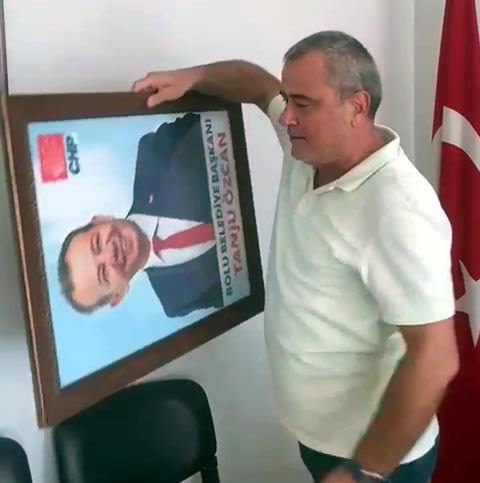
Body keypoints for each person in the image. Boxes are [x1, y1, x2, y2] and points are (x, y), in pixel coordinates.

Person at [132, 31, 459, 483]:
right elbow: (255, 83)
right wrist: (194, 77)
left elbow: (436, 359)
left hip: (379, 460)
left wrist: (365, 471)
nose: (286, 117)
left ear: (357, 107)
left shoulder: (398, 209)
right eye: (288, 100)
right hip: (321, 441)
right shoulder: (304, 147)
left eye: (303, 104)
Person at [58, 112, 224, 318]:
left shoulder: (152, 153)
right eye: (103, 273)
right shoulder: (177, 301)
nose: (110, 254)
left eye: (97, 243)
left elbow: (223, 121)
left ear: (101, 219)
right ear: (117, 295)